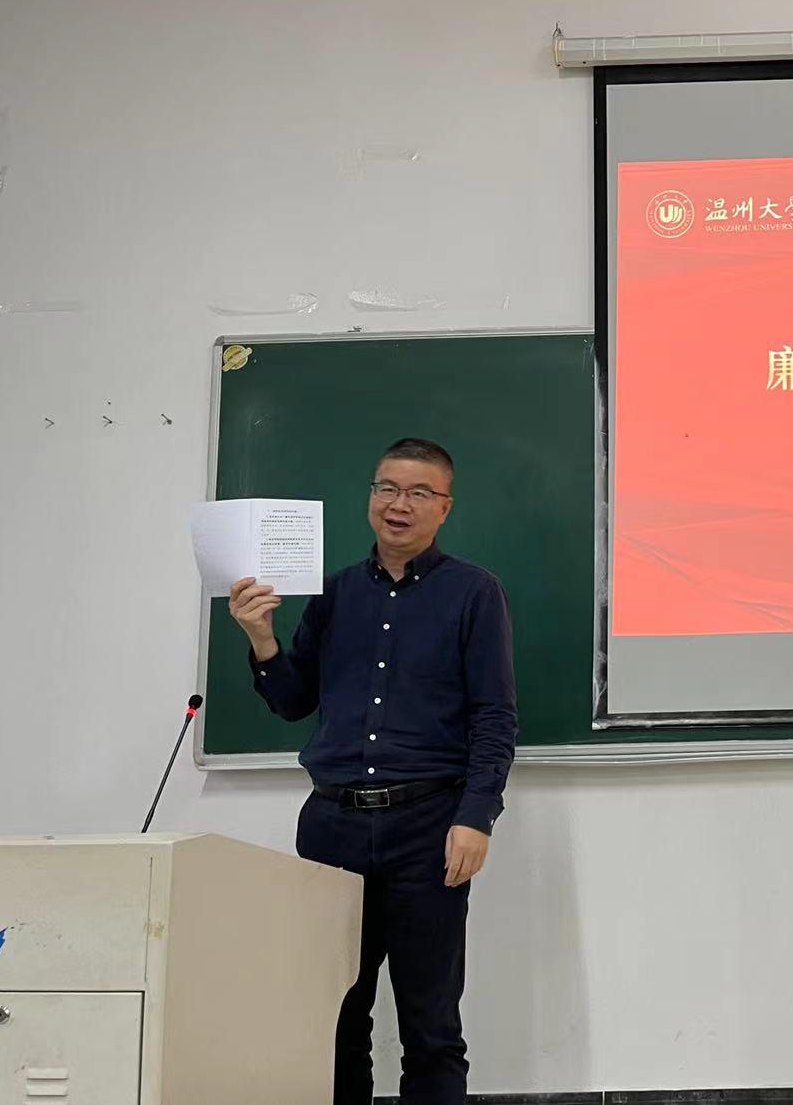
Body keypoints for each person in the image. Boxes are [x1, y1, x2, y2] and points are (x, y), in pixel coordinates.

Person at [227, 437, 516, 1105]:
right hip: (332, 828)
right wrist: (262, 639)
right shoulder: (334, 593)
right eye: (386, 488)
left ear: (445, 507)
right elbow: (292, 701)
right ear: (371, 497)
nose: (398, 504)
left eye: (418, 492)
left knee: (430, 1026)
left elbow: (495, 717)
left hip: (428, 828)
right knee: (334, 1019)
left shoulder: (474, 593)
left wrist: (476, 816)